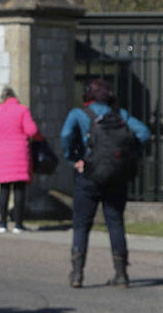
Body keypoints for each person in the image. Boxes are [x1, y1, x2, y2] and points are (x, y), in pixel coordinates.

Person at [60, 78, 151, 288]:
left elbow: (65, 135)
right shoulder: (120, 115)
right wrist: (129, 154)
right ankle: (121, 275)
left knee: (82, 224)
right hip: (117, 176)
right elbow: (144, 133)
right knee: (115, 223)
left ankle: (77, 274)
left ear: (87, 95)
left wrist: (73, 158)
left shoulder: (79, 114)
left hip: (89, 175)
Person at [0, 86, 38, 234]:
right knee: (19, 189)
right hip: (19, 152)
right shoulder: (22, 110)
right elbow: (31, 130)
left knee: (4, 189)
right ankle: (18, 224)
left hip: (2, 153)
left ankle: (2, 223)